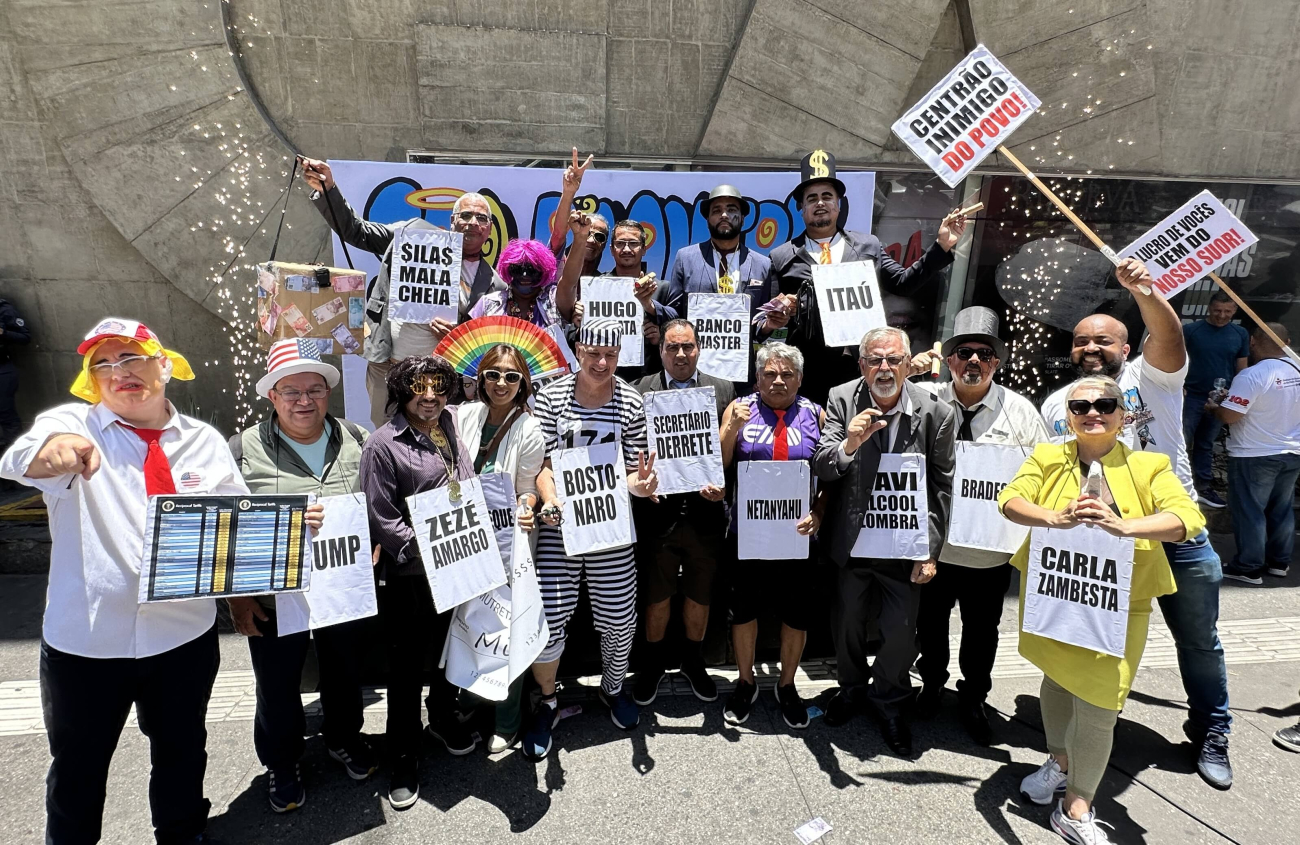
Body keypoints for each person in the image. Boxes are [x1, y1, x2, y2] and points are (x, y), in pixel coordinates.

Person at [0, 318, 250, 845]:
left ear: (164, 364)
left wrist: (283, 541)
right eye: (104, 365)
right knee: (77, 768)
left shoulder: (204, 441)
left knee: (183, 752)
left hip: (183, 636)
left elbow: (237, 527)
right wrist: (56, 450)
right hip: (86, 645)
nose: (120, 373)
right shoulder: (74, 423)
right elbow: (23, 457)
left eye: (132, 357)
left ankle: (182, 833)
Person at [1040, 258, 1234, 790]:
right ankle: (1092, 732)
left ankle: (1211, 731)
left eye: (1103, 340)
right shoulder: (1058, 404)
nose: (1091, 349)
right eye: (1081, 341)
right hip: (1098, 551)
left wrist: (1146, 292)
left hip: (1174, 540)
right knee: (1093, 644)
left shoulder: (1153, 378)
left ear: (1127, 350)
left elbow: (1169, 337)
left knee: (1197, 642)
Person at [1002, 375, 1204, 845]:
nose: (1093, 411)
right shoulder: (1048, 456)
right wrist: (1054, 517)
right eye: (1080, 406)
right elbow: (1010, 500)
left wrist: (1126, 526)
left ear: (1122, 412)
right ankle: (1060, 759)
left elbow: (1187, 518)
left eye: (1105, 403)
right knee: (1054, 677)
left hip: (1119, 604)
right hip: (1055, 592)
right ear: (1068, 416)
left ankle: (1076, 806)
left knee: (1099, 704)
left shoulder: (1150, 465)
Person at [226, 339, 374, 812]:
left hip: (341, 588)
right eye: (291, 391)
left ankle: (343, 738)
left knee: (344, 673)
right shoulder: (241, 448)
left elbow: (376, 502)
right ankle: (282, 762)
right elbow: (225, 527)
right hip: (273, 596)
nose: (304, 400)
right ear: (272, 396)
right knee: (277, 684)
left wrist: (373, 543)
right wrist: (238, 599)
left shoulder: (356, 437)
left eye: (315, 389)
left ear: (328, 393)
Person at [813, 326, 956, 757]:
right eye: (875, 360)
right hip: (852, 541)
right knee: (847, 627)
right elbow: (822, 465)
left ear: (908, 363)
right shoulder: (841, 398)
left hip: (903, 545)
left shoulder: (936, 411)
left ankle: (890, 701)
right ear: (861, 366)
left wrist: (931, 551)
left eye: (894, 360)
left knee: (899, 633)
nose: (884, 368)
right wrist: (849, 444)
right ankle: (852, 689)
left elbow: (943, 485)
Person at [910, 307, 1050, 746]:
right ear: (948, 360)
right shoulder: (925, 401)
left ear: (996, 363)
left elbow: (1046, 470)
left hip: (990, 551)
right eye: (963, 352)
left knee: (982, 629)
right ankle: (931, 684)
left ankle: (974, 696)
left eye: (984, 354)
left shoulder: (1020, 411)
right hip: (935, 547)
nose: (973, 360)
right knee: (929, 624)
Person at [525, 319, 659, 758]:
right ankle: (546, 701)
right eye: (593, 352)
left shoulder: (631, 401)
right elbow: (540, 462)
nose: (601, 362)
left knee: (619, 619)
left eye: (611, 354)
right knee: (548, 620)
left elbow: (635, 474)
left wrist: (642, 487)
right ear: (578, 349)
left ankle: (613, 688)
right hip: (559, 526)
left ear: (620, 355)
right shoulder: (551, 396)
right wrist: (549, 498)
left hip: (609, 526)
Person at [300, 156, 506, 426]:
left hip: (440, 382)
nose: (472, 223)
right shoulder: (413, 234)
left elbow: (485, 344)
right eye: (465, 215)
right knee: (388, 441)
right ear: (452, 221)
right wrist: (330, 190)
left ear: (489, 229)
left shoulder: (494, 283)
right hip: (388, 368)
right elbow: (356, 231)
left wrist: (458, 337)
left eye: (481, 218)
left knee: (432, 453)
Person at [360, 355, 479, 809]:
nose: (430, 397)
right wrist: (437, 551)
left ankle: (443, 721)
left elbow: (462, 482)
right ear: (401, 390)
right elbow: (384, 522)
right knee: (406, 673)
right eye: (419, 388)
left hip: (457, 563)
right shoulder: (382, 445)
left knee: (451, 653)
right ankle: (403, 760)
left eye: (438, 387)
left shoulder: (448, 423)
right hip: (412, 576)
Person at [767, 150, 968, 404]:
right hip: (806, 374)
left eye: (827, 196)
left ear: (838, 205)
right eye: (812, 198)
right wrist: (781, 313)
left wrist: (941, 247)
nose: (820, 203)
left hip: (859, 369)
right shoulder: (782, 257)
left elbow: (904, 283)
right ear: (801, 208)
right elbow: (769, 325)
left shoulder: (867, 246)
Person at [717, 342, 827, 728]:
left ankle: (786, 684)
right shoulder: (739, 408)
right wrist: (731, 428)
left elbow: (829, 474)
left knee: (796, 614)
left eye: (787, 374)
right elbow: (719, 464)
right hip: (748, 532)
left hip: (798, 536)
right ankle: (746, 682)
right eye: (770, 373)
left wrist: (818, 511)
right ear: (758, 377)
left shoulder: (816, 414)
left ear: (799, 378)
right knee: (743, 610)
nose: (778, 380)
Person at [629, 320, 734, 707]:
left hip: (706, 513)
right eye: (672, 348)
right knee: (656, 595)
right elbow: (633, 448)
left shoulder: (722, 389)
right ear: (661, 352)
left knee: (699, 595)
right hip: (658, 513)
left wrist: (724, 484)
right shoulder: (642, 389)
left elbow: (730, 450)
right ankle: (653, 665)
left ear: (698, 348)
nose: (680, 354)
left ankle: (693, 662)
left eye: (687, 347)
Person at [451, 343, 546, 751]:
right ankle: (471, 700)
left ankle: (507, 723)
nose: (501, 383)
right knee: (470, 622)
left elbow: (528, 490)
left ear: (523, 382)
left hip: (509, 542)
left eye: (511, 376)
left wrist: (528, 508)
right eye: (493, 374)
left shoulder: (529, 428)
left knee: (508, 628)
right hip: (467, 539)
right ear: (481, 379)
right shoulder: (462, 416)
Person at [1207, 323, 1300, 584]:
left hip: (1254, 453)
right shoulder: (1297, 368)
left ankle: (1248, 567)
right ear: (1286, 342)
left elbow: (1230, 415)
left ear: (1253, 343)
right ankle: (1279, 562)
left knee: (1250, 510)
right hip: (1292, 451)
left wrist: (1215, 407)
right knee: (1282, 509)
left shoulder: (1252, 375)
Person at [658, 185, 790, 345]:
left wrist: (770, 324)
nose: (724, 215)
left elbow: (760, 324)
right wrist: (650, 305)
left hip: (741, 361)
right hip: (695, 361)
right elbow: (675, 314)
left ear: (742, 218)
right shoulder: (686, 258)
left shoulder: (762, 264)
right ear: (707, 220)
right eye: (716, 211)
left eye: (732, 209)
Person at [1181, 291, 1249, 507]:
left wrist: (1237, 393)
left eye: (1227, 311)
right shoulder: (1191, 330)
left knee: (1206, 444)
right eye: (1218, 310)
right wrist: (1178, 384)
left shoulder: (1240, 333)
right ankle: (1176, 487)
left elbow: (1242, 368)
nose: (1221, 315)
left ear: (1235, 310)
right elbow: (1175, 358)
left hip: (1220, 398)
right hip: (1190, 395)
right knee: (1180, 442)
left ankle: (1203, 488)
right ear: (1209, 308)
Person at [470, 239, 563, 329]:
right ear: (507, 271)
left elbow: (570, 284)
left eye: (532, 270)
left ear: (543, 272)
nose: (525, 275)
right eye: (517, 269)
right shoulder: (487, 303)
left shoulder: (554, 301)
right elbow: (469, 338)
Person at [0, 296, 30, 453]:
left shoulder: (4, 309)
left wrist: (2, 332)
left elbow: (25, 337)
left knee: (6, 416)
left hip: (2, 370)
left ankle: (15, 459)